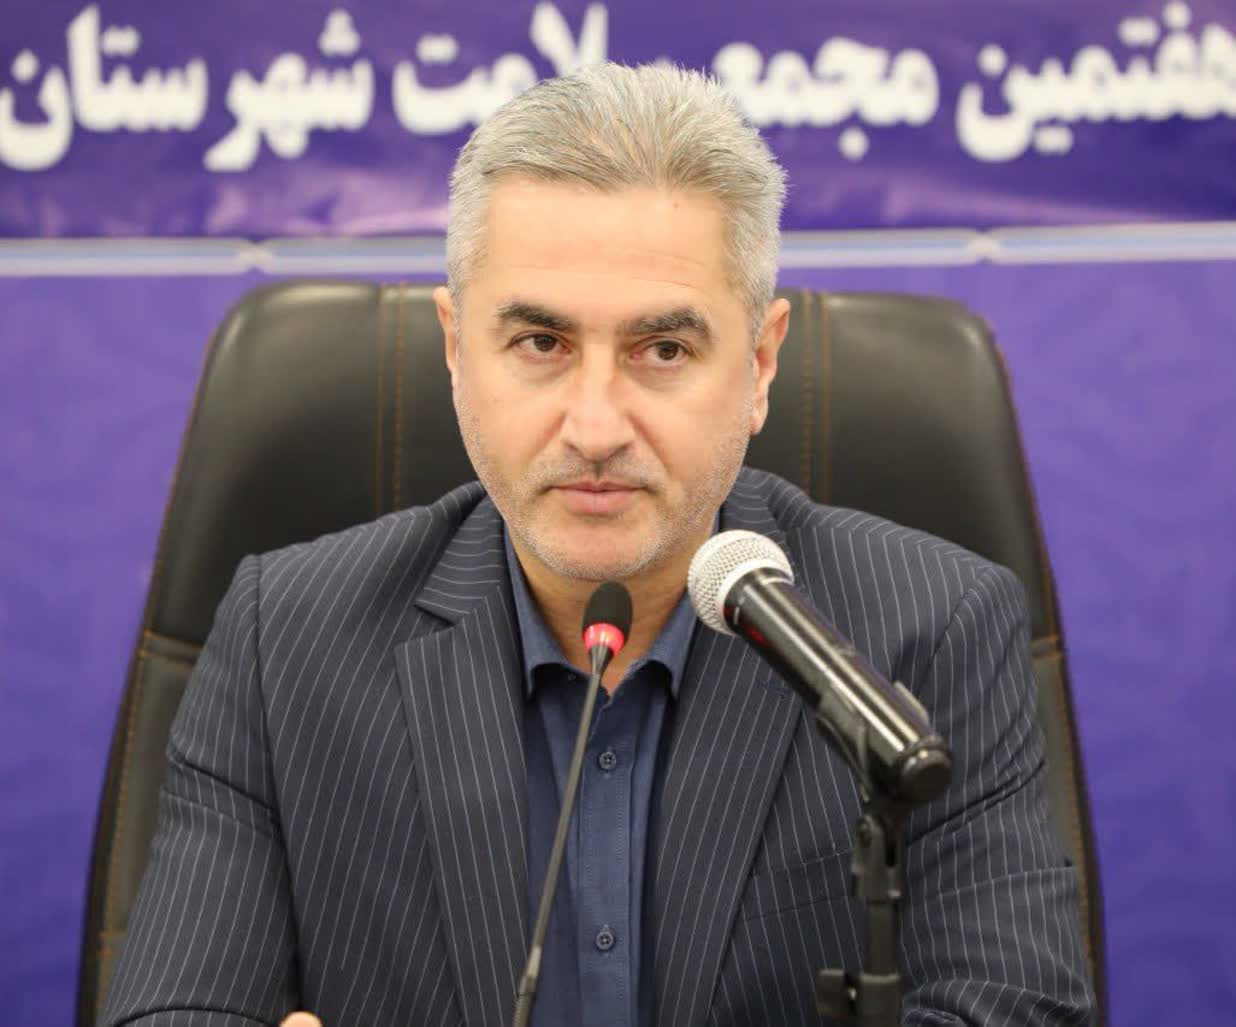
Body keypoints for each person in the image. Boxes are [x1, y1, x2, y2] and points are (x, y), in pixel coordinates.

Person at [101, 62, 1095, 1026]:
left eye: (663, 349)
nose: (595, 425)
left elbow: (1015, 1007)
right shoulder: (284, 641)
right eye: (542, 344)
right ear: (455, 350)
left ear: (759, 364)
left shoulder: (929, 633)